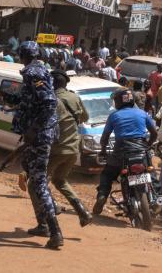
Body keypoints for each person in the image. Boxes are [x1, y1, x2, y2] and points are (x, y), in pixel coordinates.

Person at [28, 69, 93, 231]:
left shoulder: (51, 100)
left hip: (57, 149)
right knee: (59, 180)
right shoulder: (74, 97)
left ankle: (44, 222)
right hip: (73, 149)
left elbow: (42, 125)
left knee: (35, 184)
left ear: (51, 83)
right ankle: (82, 211)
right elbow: (85, 117)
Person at [12, 41, 62, 249]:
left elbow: (50, 103)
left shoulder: (34, 72)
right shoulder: (36, 72)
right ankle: (44, 223)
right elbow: (28, 102)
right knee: (31, 173)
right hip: (38, 134)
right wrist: (3, 95)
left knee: (38, 181)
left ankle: (55, 230)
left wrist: (35, 129)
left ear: (24, 55)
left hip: (40, 135)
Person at [93, 88, 158, 215]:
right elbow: (154, 133)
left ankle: (102, 196)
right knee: (152, 174)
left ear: (119, 102)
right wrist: (148, 146)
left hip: (121, 150)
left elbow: (105, 138)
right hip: (141, 150)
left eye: (115, 101)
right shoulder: (142, 113)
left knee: (107, 174)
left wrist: (103, 151)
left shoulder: (114, 116)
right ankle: (157, 198)